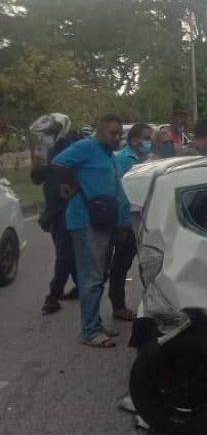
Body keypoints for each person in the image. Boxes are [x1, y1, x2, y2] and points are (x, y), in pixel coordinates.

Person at [52, 114, 127, 348]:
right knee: (91, 278)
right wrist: (72, 186)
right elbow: (58, 163)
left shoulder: (107, 153)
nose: (117, 137)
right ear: (100, 130)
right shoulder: (87, 146)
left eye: (119, 133)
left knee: (97, 276)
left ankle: (94, 322)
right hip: (86, 222)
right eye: (113, 133)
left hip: (103, 222)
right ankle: (89, 331)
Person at [29, 113, 80, 314]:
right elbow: (37, 179)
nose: (47, 136)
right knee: (68, 252)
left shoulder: (73, 147)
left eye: (50, 132)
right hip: (54, 209)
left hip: (68, 207)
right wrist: (36, 165)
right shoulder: (47, 149)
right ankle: (79, 286)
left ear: (61, 130)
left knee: (64, 253)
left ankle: (53, 296)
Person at [108, 122, 153, 321]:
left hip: (142, 220)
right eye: (146, 138)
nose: (148, 143)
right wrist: (123, 224)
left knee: (146, 264)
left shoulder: (145, 159)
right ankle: (118, 305)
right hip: (128, 221)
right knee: (121, 265)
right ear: (135, 140)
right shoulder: (125, 159)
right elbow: (122, 194)